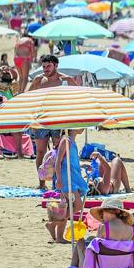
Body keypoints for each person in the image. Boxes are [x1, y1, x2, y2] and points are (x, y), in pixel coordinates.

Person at [63, 197, 134, 268]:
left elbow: (95, 250)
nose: (102, 215)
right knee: (91, 239)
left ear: (115, 212)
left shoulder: (104, 227)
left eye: (103, 211)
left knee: (80, 242)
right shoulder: (131, 229)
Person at [29, 55, 78, 189]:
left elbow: (78, 93)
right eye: (43, 66)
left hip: (58, 119)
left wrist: (71, 81)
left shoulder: (64, 79)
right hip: (42, 120)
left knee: (58, 151)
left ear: (56, 66)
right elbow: (28, 97)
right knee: (40, 152)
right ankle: (41, 182)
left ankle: (57, 181)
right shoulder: (39, 80)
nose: (45, 69)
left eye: (48, 66)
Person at [48, 130, 87, 244]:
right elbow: (58, 162)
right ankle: (53, 224)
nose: (82, 127)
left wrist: (82, 165)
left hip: (72, 177)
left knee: (67, 206)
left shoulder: (71, 141)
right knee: (78, 205)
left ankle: (59, 237)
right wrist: (59, 179)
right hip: (66, 178)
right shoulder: (66, 140)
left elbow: (70, 160)